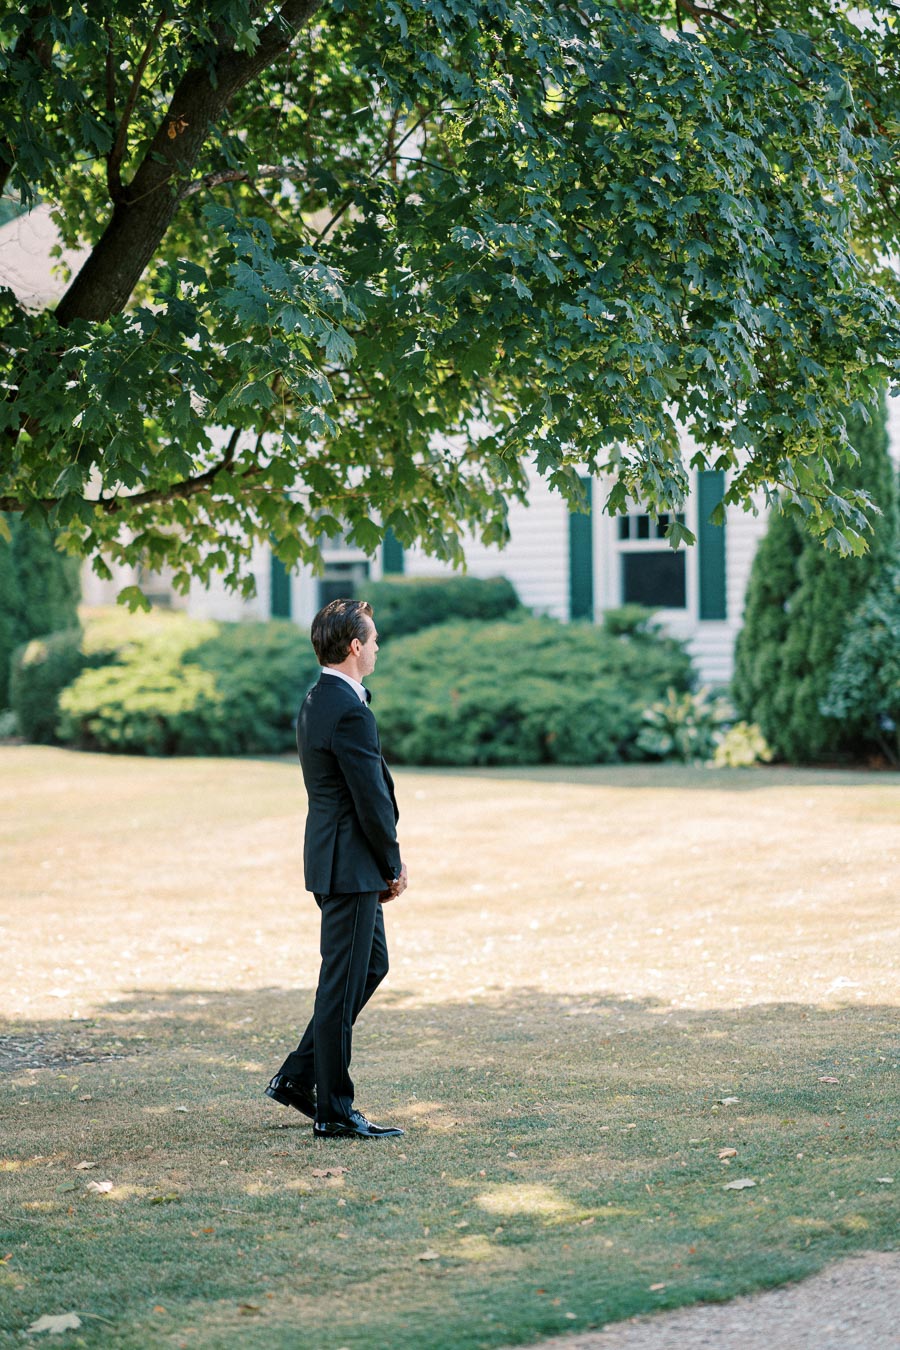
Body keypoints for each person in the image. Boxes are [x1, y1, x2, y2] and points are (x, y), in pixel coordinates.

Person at [265, 597, 408, 1140]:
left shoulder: (317, 698)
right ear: (354, 647)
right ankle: (335, 1109)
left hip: (339, 861)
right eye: (372, 640)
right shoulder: (346, 708)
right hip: (350, 865)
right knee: (339, 984)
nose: (377, 647)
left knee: (368, 968)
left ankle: (299, 1077)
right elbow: (369, 798)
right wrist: (392, 864)